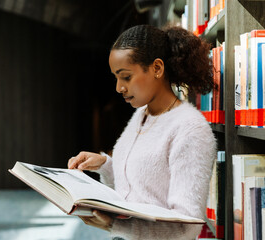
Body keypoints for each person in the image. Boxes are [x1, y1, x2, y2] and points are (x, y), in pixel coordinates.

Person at [68, 24, 217, 240]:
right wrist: (104, 165)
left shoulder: (190, 130)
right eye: (116, 78)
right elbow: (136, 189)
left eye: (126, 77)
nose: (119, 87)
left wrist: (113, 225)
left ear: (157, 68)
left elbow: (187, 228)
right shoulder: (142, 114)